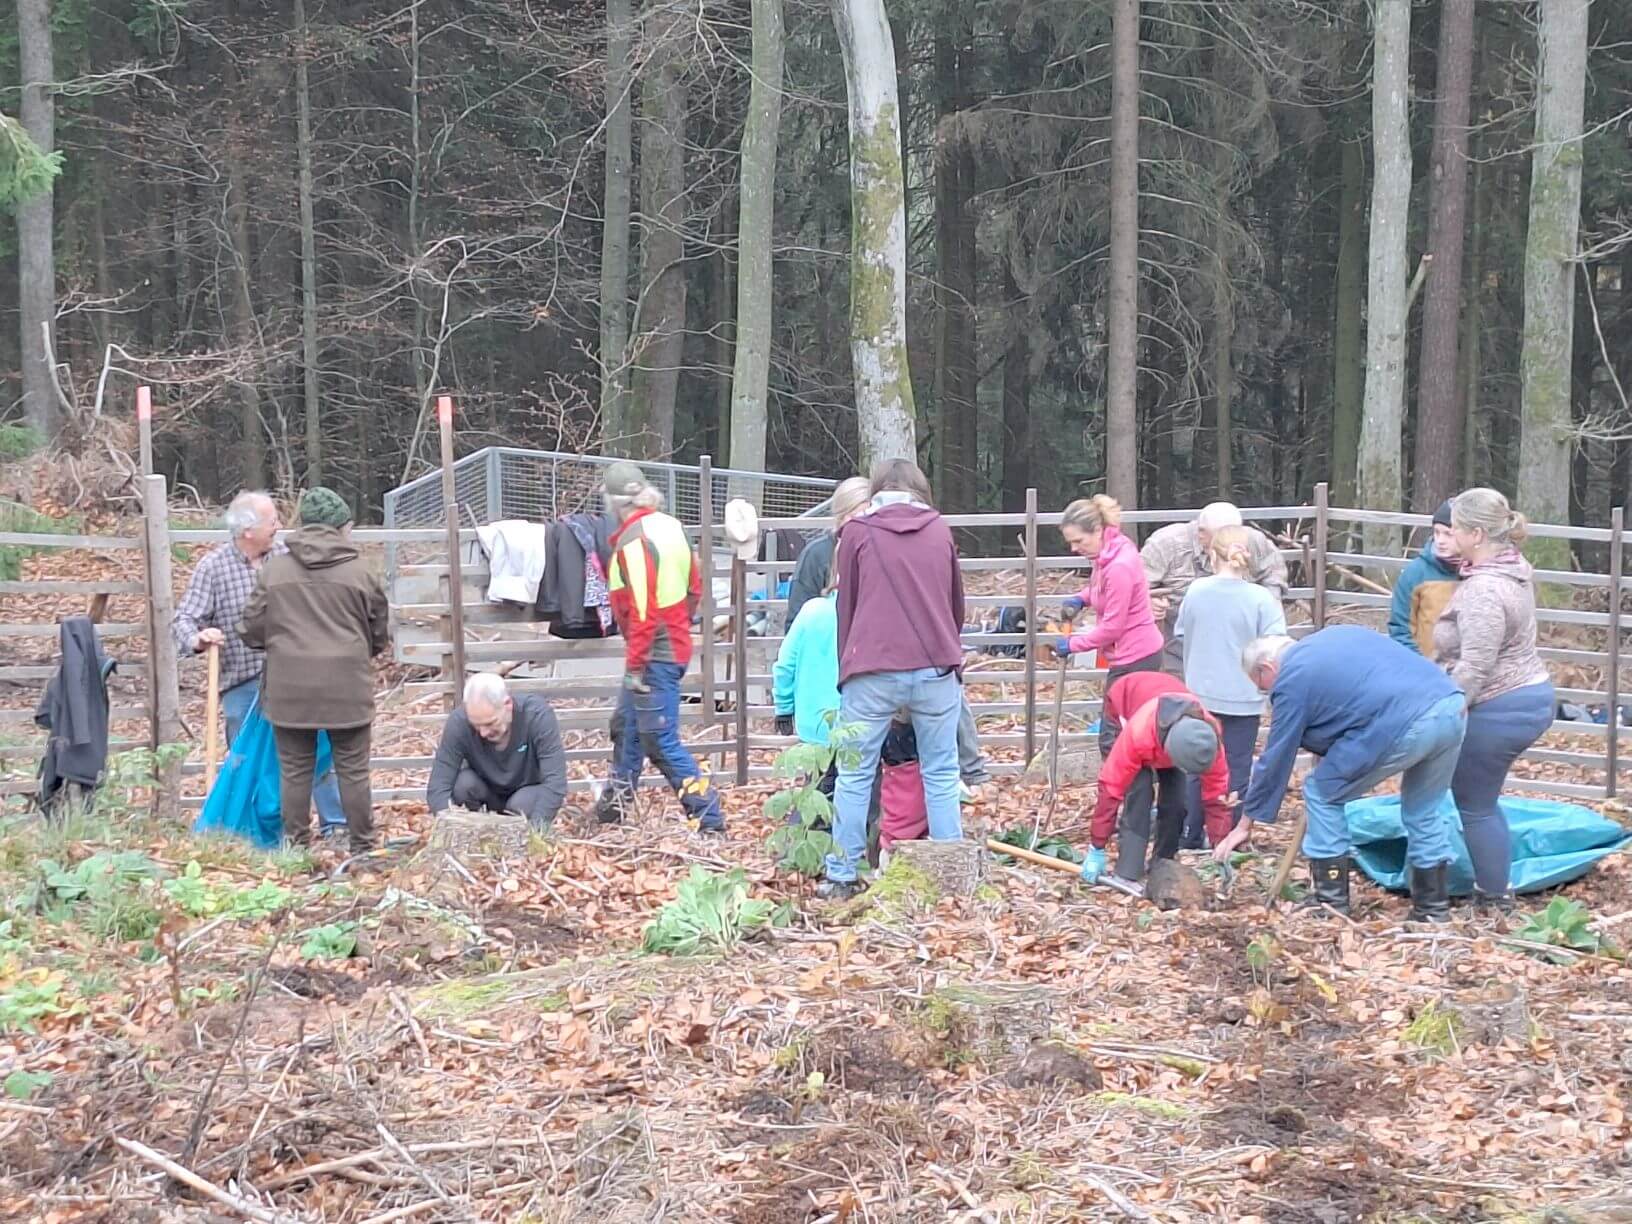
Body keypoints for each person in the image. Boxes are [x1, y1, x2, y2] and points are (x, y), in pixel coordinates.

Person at [1217, 628, 1467, 921]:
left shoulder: (1292, 677)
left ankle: (1331, 901)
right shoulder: (1332, 639)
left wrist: (1245, 823)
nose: (1268, 695)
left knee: (1322, 794)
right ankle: (1433, 911)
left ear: (1267, 668)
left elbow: (1276, 757)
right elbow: (1355, 699)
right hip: (1452, 706)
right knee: (1423, 809)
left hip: (1404, 721)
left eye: (1262, 687)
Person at [819, 459, 965, 900]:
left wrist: (849, 664)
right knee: (941, 770)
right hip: (935, 666)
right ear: (921, 490)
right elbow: (955, 603)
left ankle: (842, 875)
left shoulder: (857, 533)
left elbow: (848, 606)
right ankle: (949, 874)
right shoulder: (940, 530)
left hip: (873, 669)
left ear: (877, 489)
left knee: (855, 774)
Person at [173, 491, 347, 836]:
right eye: (272, 522)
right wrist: (198, 637)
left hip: (295, 678)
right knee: (249, 762)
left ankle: (335, 825)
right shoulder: (214, 567)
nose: (279, 528)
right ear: (247, 531)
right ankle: (254, 833)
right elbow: (184, 619)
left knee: (315, 750)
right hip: (244, 683)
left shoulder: (287, 558)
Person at [239, 487, 389, 852]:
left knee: (295, 770)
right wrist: (355, 653)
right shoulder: (361, 572)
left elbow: (250, 628)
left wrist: (280, 647)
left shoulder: (275, 571)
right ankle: (364, 847)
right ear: (341, 528)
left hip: (290, 690)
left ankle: (297, 848)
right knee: (352, 770)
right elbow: (379, 633)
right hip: (347, 689)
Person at [1433, 488, 1556, 913]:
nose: (1451, 536)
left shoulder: (1485, 589)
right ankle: (1495, 888)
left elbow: (1476, 666)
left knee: (1475, 804)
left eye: (1457, 529)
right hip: (1525, 695)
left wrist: (1446, 710)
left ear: (1478, 534)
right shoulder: (1512, 568)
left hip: (1502, 703)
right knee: (1482, 800)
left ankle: (1494, 900)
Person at [596, 462, 726, 832]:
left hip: (653, 653)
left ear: (614, 502)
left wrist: (637, 666)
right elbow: (695, 587)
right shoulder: (671, 527)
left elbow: (641, 611)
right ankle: (613, 812)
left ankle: (708, 818)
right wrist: (679, 626)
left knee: (659, 740)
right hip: (666, 646)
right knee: (626, 725)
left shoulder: (634, 541)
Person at [1173, 525, 1286, 847]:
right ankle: (1231, 837)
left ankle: (1190, 836)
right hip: (1244, 696)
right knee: (1238, 768)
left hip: (1201, 695)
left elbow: (1181, 632)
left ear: (1212, 554)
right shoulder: (1260, 598)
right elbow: (1277, 644)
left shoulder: (1196, 591)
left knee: (1195, 765)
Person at [1078, 671, 1233, 887]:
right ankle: (1128, 871)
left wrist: (1221, 844)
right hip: (1125, 707)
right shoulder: (1138, 735)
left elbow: (1216, 795)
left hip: (1170, 732)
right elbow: (1110, 789)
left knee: (1177, 802)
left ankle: (1164, 867)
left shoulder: (1207, 739)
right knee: (1139, 794)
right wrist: (1097, 846)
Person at [1053, 495, 1164, 757]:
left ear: (1099, 530)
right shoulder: (1109, 553)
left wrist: (1073, 644)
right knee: (1127, 734)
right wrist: (1082, 598)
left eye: (1079, 541)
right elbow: (1103, 590)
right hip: (1130, 655)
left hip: (1136, 659)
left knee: (1114, 739)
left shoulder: (1119, 565)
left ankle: (1124, 794)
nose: (1074, 548)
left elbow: (1113, 627)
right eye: (1070, 542)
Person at [1141, 502, 1288, 673]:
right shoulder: (1165, 544)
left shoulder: (1253, 541)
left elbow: (1274, 571)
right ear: (1200, 531)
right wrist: (1148, 603)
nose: (1232, 542)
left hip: (1241, 656)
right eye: (1222, 537)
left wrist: (1268, 603)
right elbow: (1134, 586)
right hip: (1180, 657)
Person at [427, 672, 569, 831]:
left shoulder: (537, 716)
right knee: (463, 784)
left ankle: (518, 832)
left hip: (525, 796)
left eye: (490, 723)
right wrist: (448, 827)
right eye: (476, 725)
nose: (483, 733)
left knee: (522, 803)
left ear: (507, 704)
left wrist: (536, 834)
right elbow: (438, 786)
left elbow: (556, 782)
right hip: (485, 796)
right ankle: (476, 833)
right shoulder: (459, 723)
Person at [784, 476, 873, 631]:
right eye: (857, 517)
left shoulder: (880, 555)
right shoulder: (816, 556)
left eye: (870, 517)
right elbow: (796, 622)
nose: (864, 525)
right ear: (841, 517)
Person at [1389, 499, 1461, 653]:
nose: (1440, 541)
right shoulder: (1416, 573)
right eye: (1436, 532)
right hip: (1425, 667)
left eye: (1448, 534)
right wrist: (1420, 666)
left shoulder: (1480, 574)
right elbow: (1400, 629)